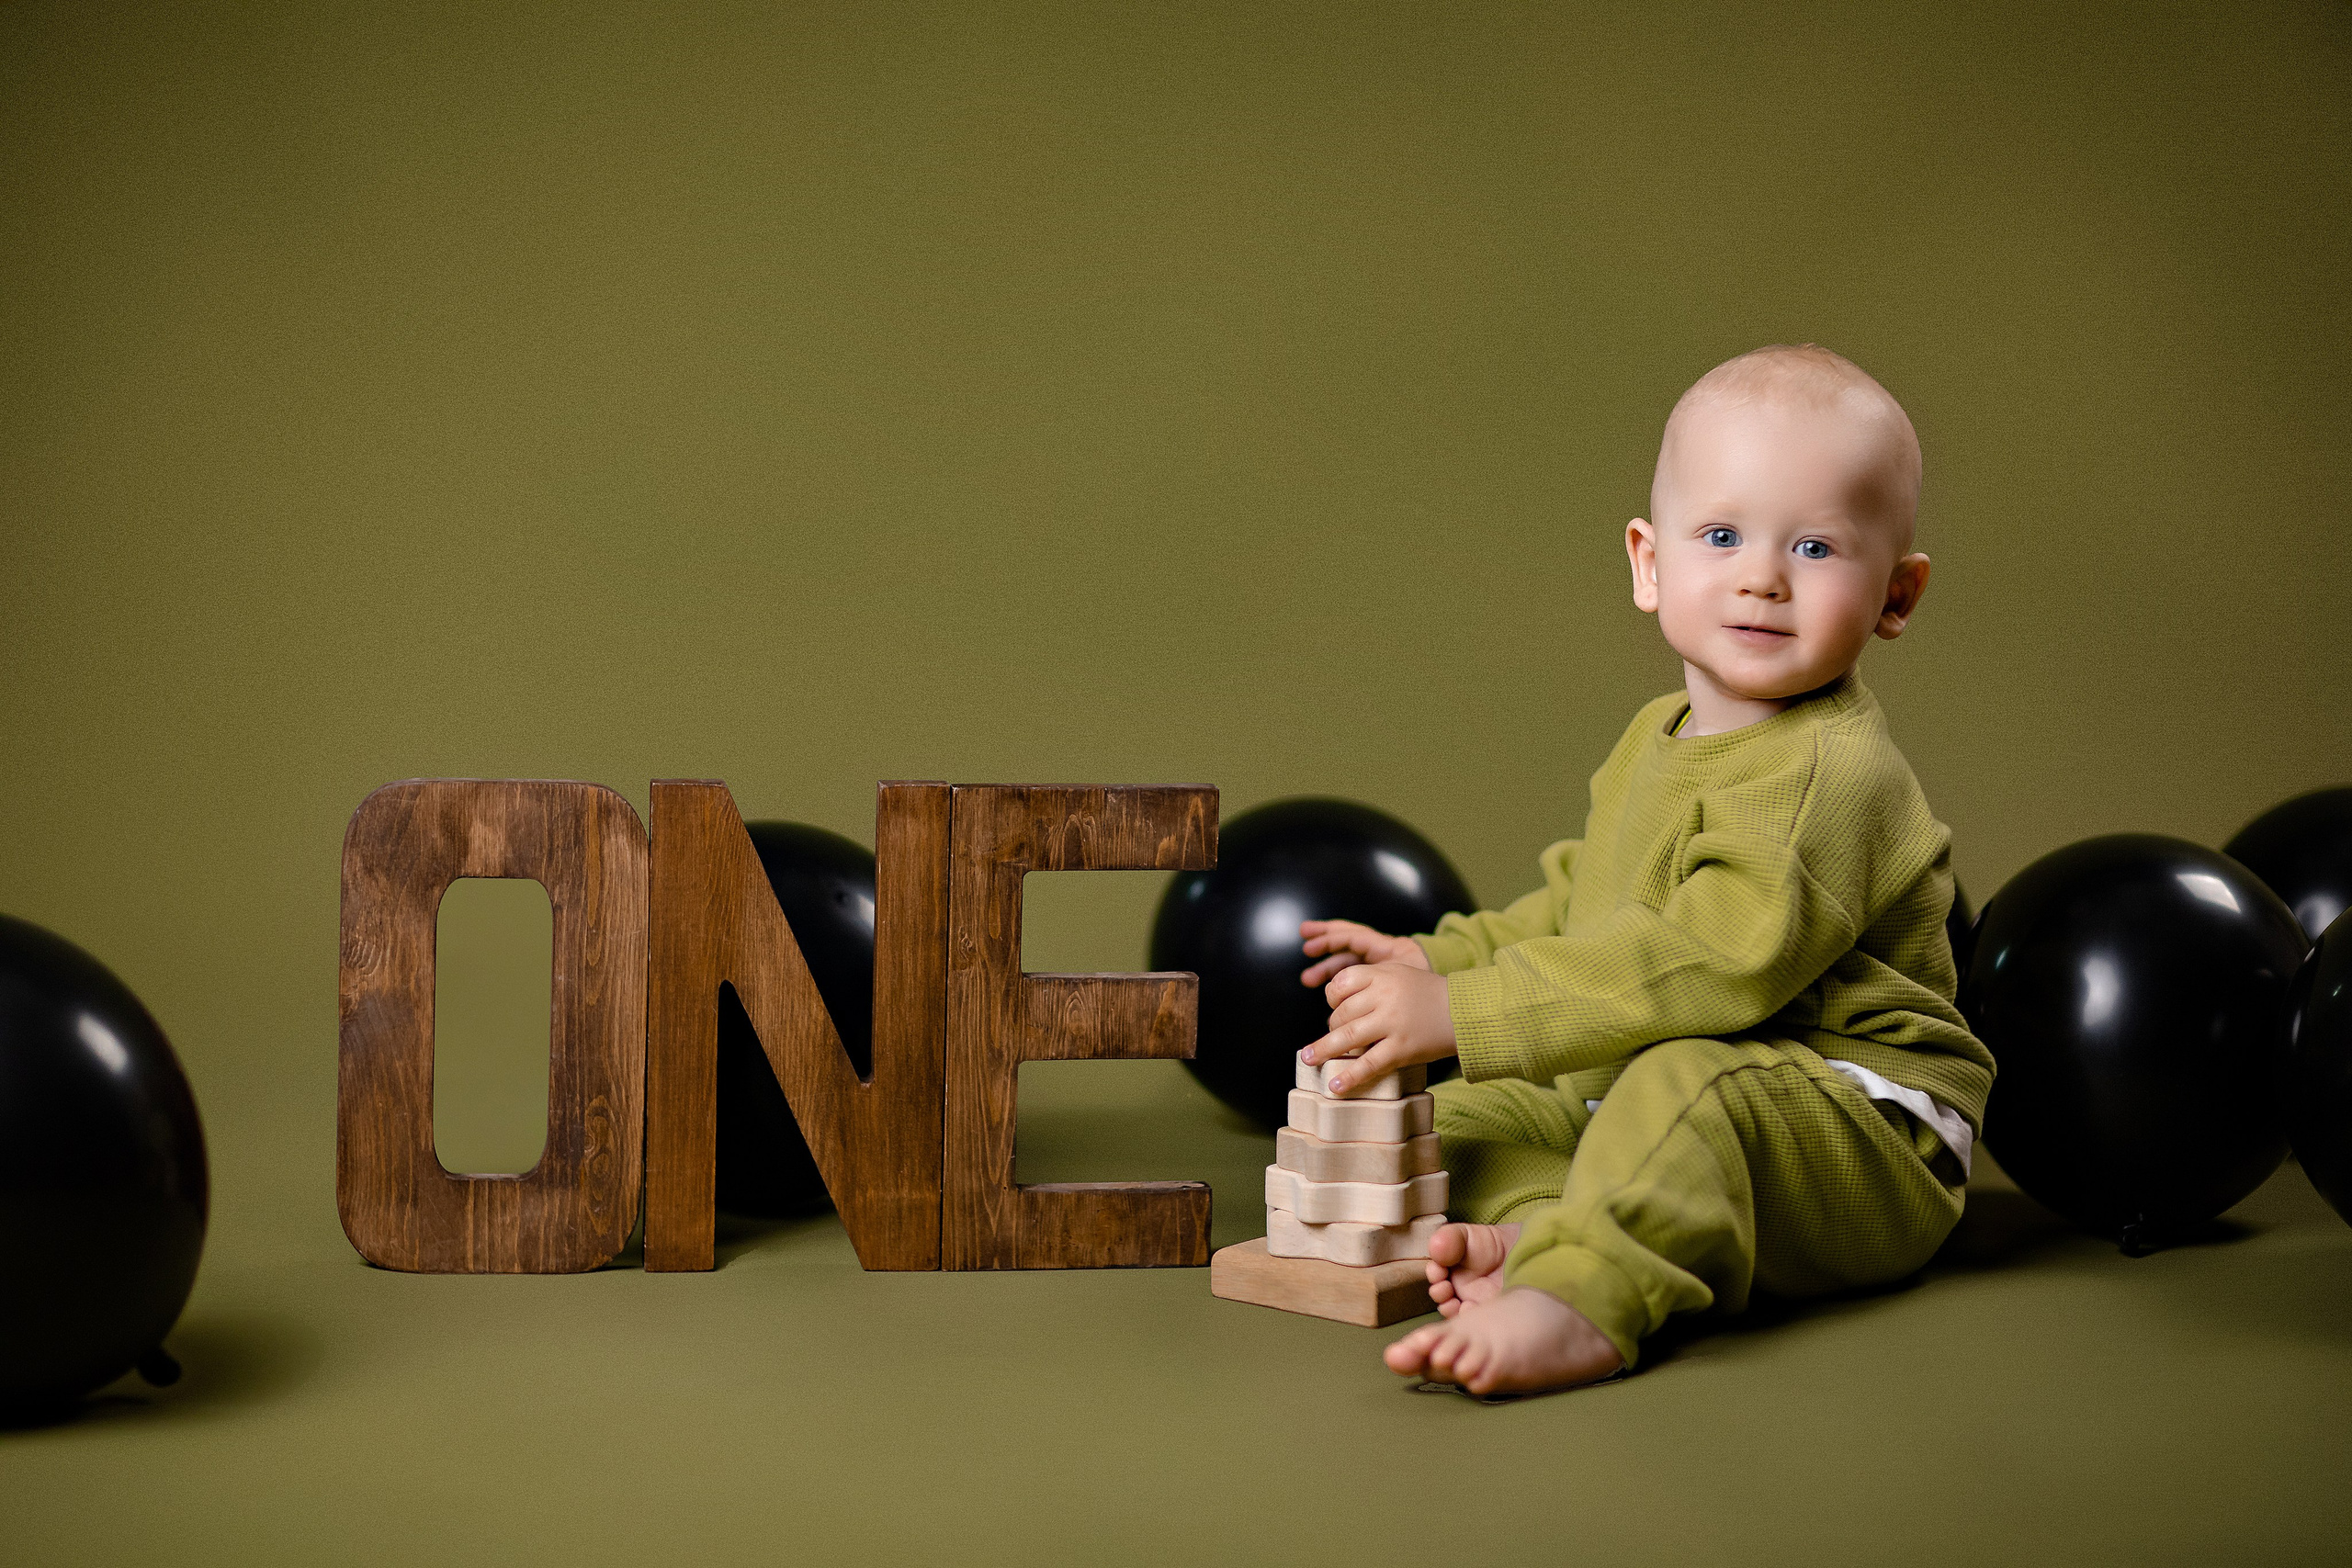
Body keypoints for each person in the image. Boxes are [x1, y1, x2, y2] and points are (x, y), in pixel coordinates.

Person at [1296, 344, 1992, 1397]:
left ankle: (1582, 1301)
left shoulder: (1825, 774)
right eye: (1721, 535)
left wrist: (1467, 1009)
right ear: (1648, 562)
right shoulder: (1654, 738)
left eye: (1813, 547)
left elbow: (1710, 961)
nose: (1760, 576)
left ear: (1895, 596)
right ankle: (1546, 1235)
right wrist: (1433, 958)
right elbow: (1586, 902)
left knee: (1684, 1085)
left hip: (1858, 1124)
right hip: (1658, 1085)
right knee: (1459, 1125)